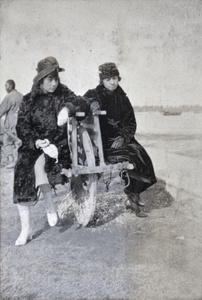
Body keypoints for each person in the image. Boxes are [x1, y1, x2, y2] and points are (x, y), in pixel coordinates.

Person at [13, 57, 99, 246]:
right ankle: (25, 229)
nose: (54, 83)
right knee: (22, 171)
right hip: (33, 146)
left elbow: (82, 102)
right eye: (50, 79)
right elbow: (22, 127)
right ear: (40, 80)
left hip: (58, 146)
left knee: (40, 166)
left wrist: (68, 109)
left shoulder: (63, 93)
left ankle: (50, 205)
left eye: (56, 79)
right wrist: (36, 141)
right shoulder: (28, 100)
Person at [84, 62, 157, 217]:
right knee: (132, 157)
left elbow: (131, 122)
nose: (113, 82)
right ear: (102, 80)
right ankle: (132, 196)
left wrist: (124, 137)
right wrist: (92, 103)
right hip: (103, 143)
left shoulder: (123, 98)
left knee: (144, 159)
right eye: (108, 78)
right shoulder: (94, 94)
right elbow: (83, 102)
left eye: (115, 78)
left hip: (122, 139)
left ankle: (133, 194)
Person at [0, 80, 23, 168]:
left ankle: (11, 161)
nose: (5, 88)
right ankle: (18, 161)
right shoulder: (21, 96)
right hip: (21, 122)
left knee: (7, 142)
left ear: (10, 86)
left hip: (11, 123)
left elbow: (1, 110)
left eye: (6, 86)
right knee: (18, 142)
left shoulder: (9, 97)